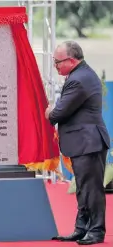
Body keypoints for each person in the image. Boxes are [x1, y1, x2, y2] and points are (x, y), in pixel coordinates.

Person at [46, 41, 110, 245]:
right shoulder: (79, 75)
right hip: (84, 142)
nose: (56, 66)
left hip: (88, 142)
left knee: (91, 189)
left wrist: (49, 111)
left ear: (71, 60)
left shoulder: (79, 79)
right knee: (83, 188)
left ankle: (96, 230)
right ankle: (82, 229)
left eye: (57, 62)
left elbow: (58, 113)